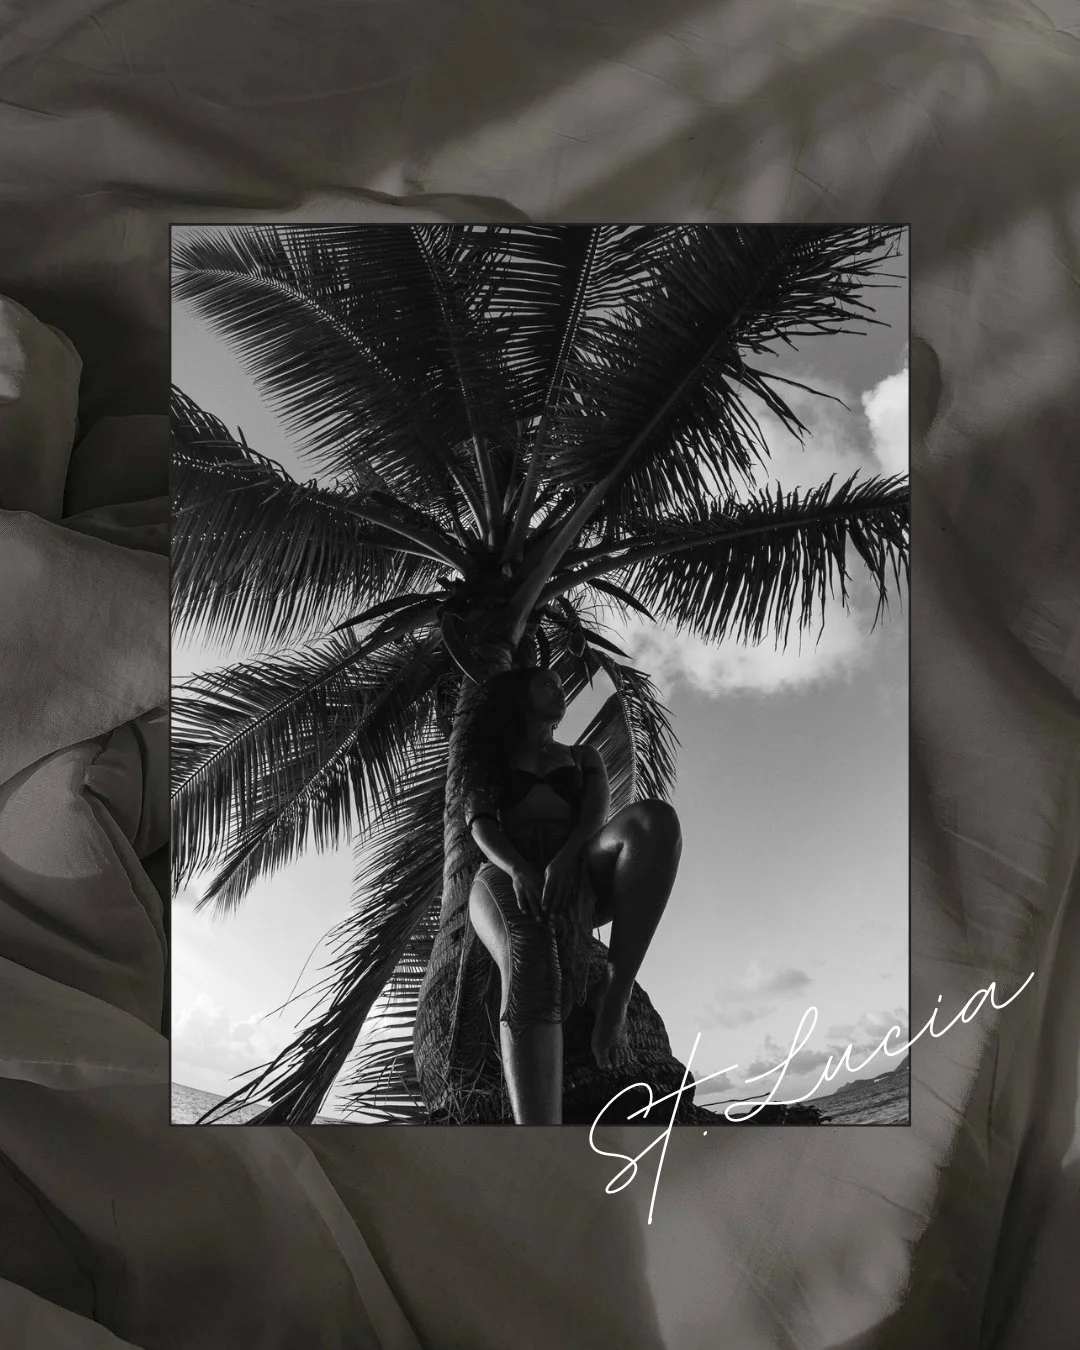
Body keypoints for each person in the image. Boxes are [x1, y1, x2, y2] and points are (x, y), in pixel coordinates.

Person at [462, 665, 683, 1125]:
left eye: (562, 687)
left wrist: (566, 859)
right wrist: (520, 869)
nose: (559, 692)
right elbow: (480, 825)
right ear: (520, 696)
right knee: (528, 953)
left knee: (654, 820)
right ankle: (542, 1146)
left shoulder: (583, 756)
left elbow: (596, 812)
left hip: (578, 876)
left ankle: (614, 997)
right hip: (505, 876)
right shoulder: (491, 758)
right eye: (546, 683)